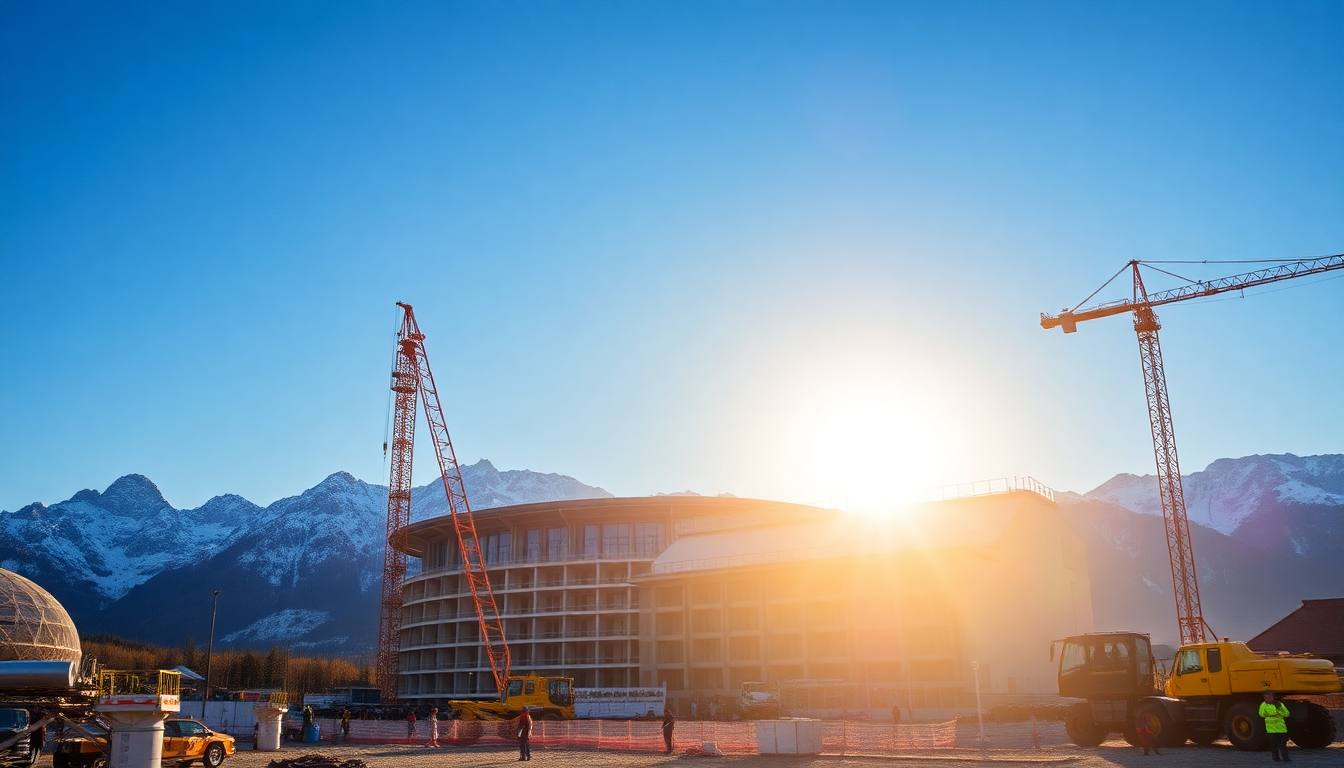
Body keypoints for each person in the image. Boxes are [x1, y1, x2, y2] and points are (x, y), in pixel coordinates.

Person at [1260, 691, 1291, 762]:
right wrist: (1273, 715)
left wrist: (1279, 712)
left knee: (1283, 744)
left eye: (1270, 696)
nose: (1268, 698)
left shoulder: (1279, 704)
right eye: (1266, 697)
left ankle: (1285, 758)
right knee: (1273, 745)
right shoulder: (1263, 705)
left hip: (1281, 728)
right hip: (1271, 729)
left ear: (1273, 697)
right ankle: (1275, 758)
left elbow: (1287, 713)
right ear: (1264, 698)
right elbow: (1261, 714)